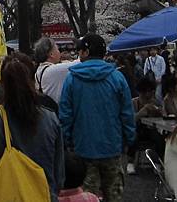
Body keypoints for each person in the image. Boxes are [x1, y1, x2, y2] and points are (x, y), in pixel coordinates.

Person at [0, 53, 65, 202]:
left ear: (2, 83)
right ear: (33, 81)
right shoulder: (50, 118)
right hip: (42, 195)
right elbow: (59, 174)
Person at [59, 34, 135, 202]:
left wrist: (68, 140)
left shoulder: (72, 79)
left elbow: (65, 115)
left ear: (85, 52)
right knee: (114, 195)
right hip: (112, 146)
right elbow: (127, 113)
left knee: (87, 195)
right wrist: (128, 139)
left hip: (83, 148)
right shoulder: (117, 77)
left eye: (80, 50)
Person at [127, 78, 164, 175]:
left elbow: (163, 117)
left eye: (150, 92)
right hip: (138, 130)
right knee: (133, 136)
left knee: (159, 138)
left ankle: (157, 163)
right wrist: (141, 112)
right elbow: (130, 121)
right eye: (145, 92)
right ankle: (130, 162)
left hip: (152, 130)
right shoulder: (134, 103)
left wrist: (159, 112)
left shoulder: (156, 103)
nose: (147, 95)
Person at [34, 37, 79, 108]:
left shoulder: (39, 70)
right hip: (57, 114)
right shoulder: (54, 70)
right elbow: (78, 64)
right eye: (57, 49)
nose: (59, 52)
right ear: (51, 54)